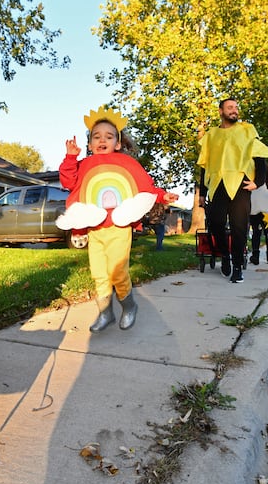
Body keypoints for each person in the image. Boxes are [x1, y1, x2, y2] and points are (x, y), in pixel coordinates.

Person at [57, 106, 178, 332]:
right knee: (99, 274)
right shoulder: (84, 165)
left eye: (109, 136)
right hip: (95, 229)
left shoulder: (127, 165)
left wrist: (162, 195)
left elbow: (145, 186)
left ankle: (129, 306)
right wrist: (70, 158)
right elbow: (68, 181)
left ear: (118, 143)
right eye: (96, 136)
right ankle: (106, 313)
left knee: (118, 272)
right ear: (90, 144)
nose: (102, 140)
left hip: (119, 228)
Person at [197, 98, 268, 283]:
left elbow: (259, 157)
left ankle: (237, 266)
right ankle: (225, 255)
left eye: (236, 107)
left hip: (241, 183)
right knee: (215, 222)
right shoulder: (211, 135)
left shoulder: (247, 130)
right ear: (220, 111)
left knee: (239, 227)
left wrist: (257, 181)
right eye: (230, 107)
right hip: (218, 183)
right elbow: (204, 165)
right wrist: (202, 192)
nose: (234, 110)